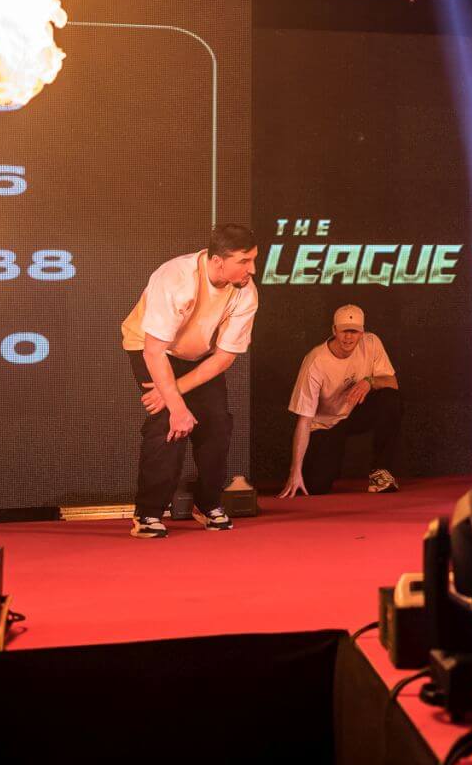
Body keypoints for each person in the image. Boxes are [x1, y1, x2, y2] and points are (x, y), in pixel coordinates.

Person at [119, 224, 259, 538]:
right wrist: (176, 406)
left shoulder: (246, 291)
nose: (251, 269)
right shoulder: (175, 279)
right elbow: (154, 351)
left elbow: (224, 357)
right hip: (152, 348)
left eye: (253, 260)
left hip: (199, 356)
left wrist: (175, 392)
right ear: (218, 261)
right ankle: (148, 514)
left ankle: (208, 504)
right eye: (244, 261)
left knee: (217, 423)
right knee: (168, 422)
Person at [283, 304, 405, 496]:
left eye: (354, 331)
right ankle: (311, 470)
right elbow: (304, 420)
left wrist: (370, 381)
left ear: (362, 332)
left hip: (355, 413)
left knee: (390, 399)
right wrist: (294, 471)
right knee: (316, 487)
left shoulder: (371, 343)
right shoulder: (315, 361)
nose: (348, 337)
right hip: (326, 425)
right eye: (344, 331)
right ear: (334, 330)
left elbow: (392, 383)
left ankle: (380, 472)